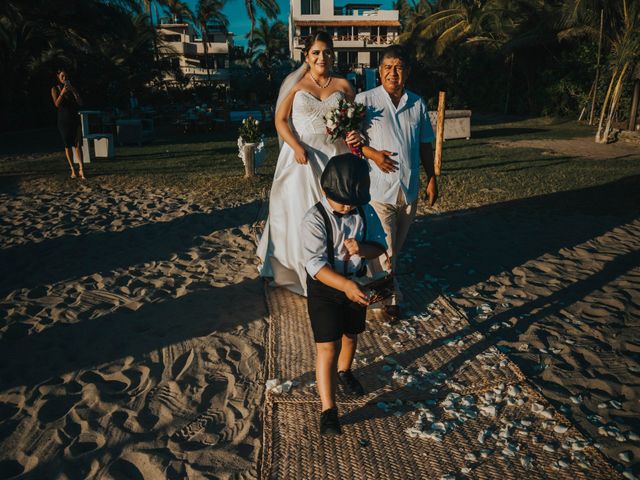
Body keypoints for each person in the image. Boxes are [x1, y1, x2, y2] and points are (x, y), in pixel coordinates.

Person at [256, 31, 361, 296]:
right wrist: (296, 146)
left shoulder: (344, 85)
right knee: (300, 210)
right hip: (302, 158)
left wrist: (354, 132)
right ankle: (298, 269)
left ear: (333, 54)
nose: (321, 57)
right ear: (307, 56)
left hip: (335, 156)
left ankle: (337, 266)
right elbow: (280, 121)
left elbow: (356, 121)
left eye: (326, 51)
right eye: (316, 52)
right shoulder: (297, 84)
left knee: (339, 211)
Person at [301, 153, 387, 435]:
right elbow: (314, 264)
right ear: (326, 191)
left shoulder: (364, 211)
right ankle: (329, 410)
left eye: (354, 201)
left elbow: (379, 246)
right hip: (324, 288)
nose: (349, 206)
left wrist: (363, 249)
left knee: (351, 335)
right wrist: (345, 286)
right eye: (343, 201)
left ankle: (345, 371)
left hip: (356, 282)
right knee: (327, 346)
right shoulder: (314, 218)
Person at [357, 45, 439, 321]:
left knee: (396, 248)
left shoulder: (417, 103)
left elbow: (426, 144)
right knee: (387, 250)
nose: (394, 73)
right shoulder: (364, 101)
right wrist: (373, 155)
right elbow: (349, 140)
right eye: (388, 67)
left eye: (399, 67)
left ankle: (376, 286)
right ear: (379, 72)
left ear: (407, 72)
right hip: (379, 189)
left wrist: (432, 178)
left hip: (409, 189)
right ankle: (389, 301)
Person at [51, 69, 85, 179]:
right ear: (58, 77)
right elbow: (56, 104)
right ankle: (73, 169)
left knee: (78, 145)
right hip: (63, 121)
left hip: (75, 119)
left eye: (66, 76)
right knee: (68, 146)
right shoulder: (55, 89)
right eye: (62, 76)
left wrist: (74, 91)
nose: (65, 78)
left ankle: (81, 169)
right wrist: (62, 93)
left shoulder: (72, 88)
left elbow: (80, 103)